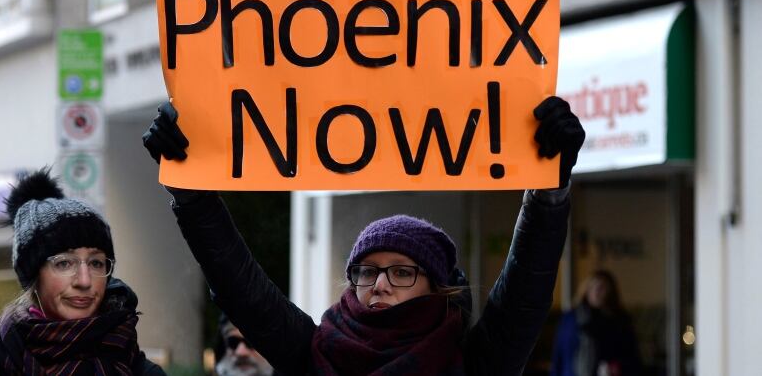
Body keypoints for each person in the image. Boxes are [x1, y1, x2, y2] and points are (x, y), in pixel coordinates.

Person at [143, 95, 585, 375]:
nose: (380, 284)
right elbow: (240, 286)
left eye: (401, 272)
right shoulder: (313, 351)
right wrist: (191, 193)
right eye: (367, 272)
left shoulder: (472, 361)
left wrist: (548, 191)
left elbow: (527, 285)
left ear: (437, 286)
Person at [0, 169, 165, 375]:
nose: (85, 281)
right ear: (33, 274)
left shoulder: (136, 367)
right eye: (64, 263)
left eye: (96, 263)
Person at [551, 270, 642, 376]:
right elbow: (559, 354)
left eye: (602, 288)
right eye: (593, 286)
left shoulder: (619, 321)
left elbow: (631, 357)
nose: (596, 292)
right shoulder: (571, 318)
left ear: (610, 292)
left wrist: (616, 367)